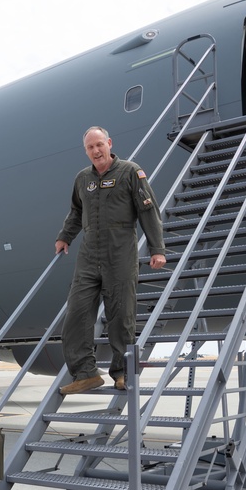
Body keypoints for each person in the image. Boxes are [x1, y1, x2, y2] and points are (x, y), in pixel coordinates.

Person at [55, 126, 167, 394]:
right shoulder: (83, 179)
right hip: (89, 256)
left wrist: (157, 249)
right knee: (76, 314)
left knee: (121, 317)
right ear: (86, 151)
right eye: (90, 147)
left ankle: (122, 373)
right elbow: (76, 211)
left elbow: (148, 210)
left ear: (109, 143)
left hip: (120, 255)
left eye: (99, 145)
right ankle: (86, 373)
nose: (95, 151)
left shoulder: (130, 171)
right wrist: (65, 236)